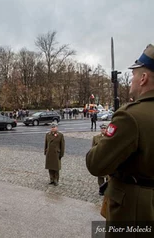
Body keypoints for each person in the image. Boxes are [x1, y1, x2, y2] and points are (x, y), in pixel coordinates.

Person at [86, 44, 154, 232]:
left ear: (143, 79)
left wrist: (105, 138)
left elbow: (96, 164)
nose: (131, 80)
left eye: (133, 75)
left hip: (135, 211)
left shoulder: (130, 116)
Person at [91, 123, 108, 196]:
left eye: (104, 128)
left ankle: (107, 189)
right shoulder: (96, 137)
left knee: (108, 175)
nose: (103, 130)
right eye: (102, 128)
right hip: (99, 159)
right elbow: (92, 149)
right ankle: (101, 189)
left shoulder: (110, 138)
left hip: (107, 159)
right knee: (100, 175)